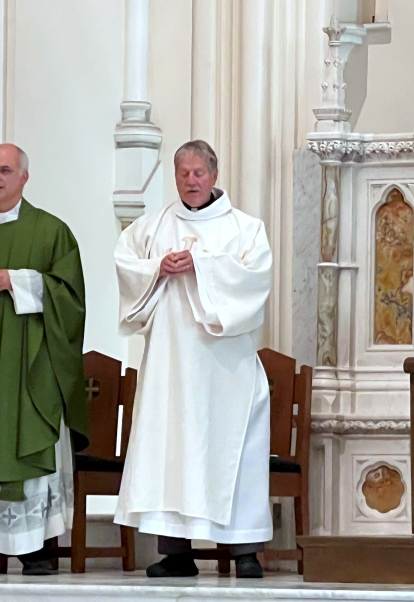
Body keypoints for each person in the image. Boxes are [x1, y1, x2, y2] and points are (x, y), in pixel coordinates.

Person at [114, 140, 273, 578]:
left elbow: (255, 278)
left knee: (235, 449)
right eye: (183, 173)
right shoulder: (154, 227)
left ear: (214, 175)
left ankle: (245, 551)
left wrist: (201, 266)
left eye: (198, 172)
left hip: (226, 369)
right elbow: (126, 261)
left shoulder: (245, 228)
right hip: (172, 367)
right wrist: (156, 269)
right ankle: (175, 552)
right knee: (173, 448)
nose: (190, 180)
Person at [0, 144, 88, 575]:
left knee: (27, 437)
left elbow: (70, 298)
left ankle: (35, 548)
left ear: (24, 177)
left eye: (5, 169)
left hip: (28, 366)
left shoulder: (51, 231)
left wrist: (14, 280)